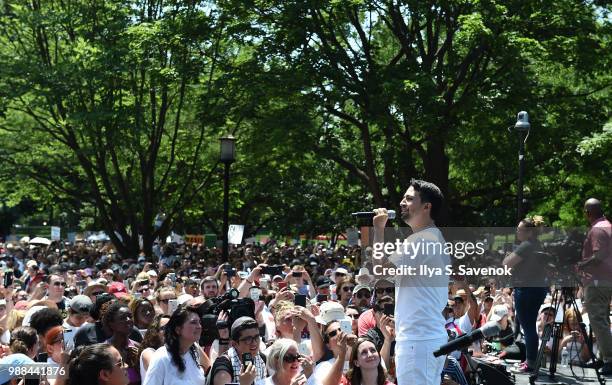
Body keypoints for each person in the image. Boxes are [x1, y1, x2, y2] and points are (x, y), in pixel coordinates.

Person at [373, 179, 449, 385]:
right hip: (424, 338)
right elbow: (387, 274)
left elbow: (379, 267)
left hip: (419, 340)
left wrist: (378, 229)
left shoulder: (422, 240)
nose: (401, 202)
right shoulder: (433, 238)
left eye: (409, 198)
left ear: (426, 206)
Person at [502, 217, 548, 373]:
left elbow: (507, 263)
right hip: (537, 289)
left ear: (529, 232)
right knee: (529, 326)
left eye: (519, 229)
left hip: (526, 290)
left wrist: (508, 254)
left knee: (527, 326)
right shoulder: (537, 244)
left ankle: (530, 363)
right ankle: (531, 360)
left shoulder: (526, 245)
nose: (517, 232)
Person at [577, 198, 612, 375]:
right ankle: (602, 357)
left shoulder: (597, 229)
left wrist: (581, 265)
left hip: (598, 281)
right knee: (602, 320)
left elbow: (599, 257)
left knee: (598, 321)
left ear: (587, 213)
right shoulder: (607, 225)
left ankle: (609, 359)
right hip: (605, 281)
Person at [142, 305, 209, 385]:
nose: (199, 327)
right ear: (178, 330)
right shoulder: (162, 357)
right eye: (193, 322)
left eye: (199, 322)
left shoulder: (194, 352)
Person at [208, 316, 267, 385]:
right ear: (234, 344)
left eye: (256, 337)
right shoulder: (224, 364)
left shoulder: (262, 358)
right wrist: (245, 384)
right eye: (248, 339)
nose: (254, 343)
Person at [102, 302, 141, 385]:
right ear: (111, 324)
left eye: (130, 316)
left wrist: (137, 362)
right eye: (123, 318)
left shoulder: (138, 347)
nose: (128, 320)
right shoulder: (105, 350)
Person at [138, 314, 171, 379]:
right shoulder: (148, 352)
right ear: (155, 332)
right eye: (164, 328)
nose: (169, 331)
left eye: (172, 327)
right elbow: (159, 372)